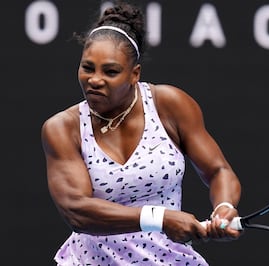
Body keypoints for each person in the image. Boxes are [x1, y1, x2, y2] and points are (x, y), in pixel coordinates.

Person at [41, 1, 242, 265]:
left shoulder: (169, 104)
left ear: (134, 74)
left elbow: (218, 171)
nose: (95, 79)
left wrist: (224, 207)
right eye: (87, 68)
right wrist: (159, 218)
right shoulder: (62, 128)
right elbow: (77, 210)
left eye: (110, 71)